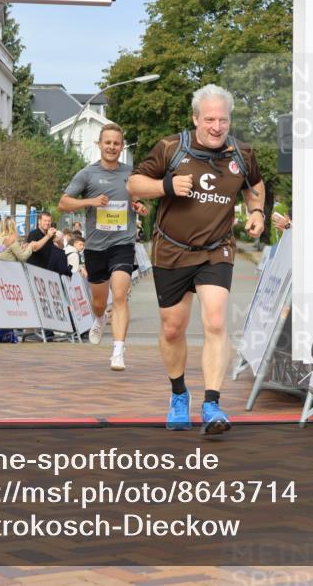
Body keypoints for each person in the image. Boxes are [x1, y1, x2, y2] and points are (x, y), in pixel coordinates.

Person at [129, 84, 265, 434]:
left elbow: (255, 185)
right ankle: (178, 394)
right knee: (173, 328)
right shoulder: (172, 148)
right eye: (209, 120)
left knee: (216, 321)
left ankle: (213, 404)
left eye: (223, 119)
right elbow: (134, 184)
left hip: (216, 249)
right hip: (172, 249)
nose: (217, 127)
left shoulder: (241, 153)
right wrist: (166, 186)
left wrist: (258, 212)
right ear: (195, 119)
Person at [58, 123, 148, 371]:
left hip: (123, 243)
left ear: (122, 146)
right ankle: (99, 318)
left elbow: (138, 199)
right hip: (96, 246)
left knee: (119, 295)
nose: (111, 147)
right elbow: (63, 203)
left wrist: (139, 206)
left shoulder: (131, 173)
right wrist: (91, 201)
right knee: (100, 302)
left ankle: (118, 350)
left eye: (116, 143)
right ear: (99, 144)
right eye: (107, 142)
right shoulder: (87, 174)